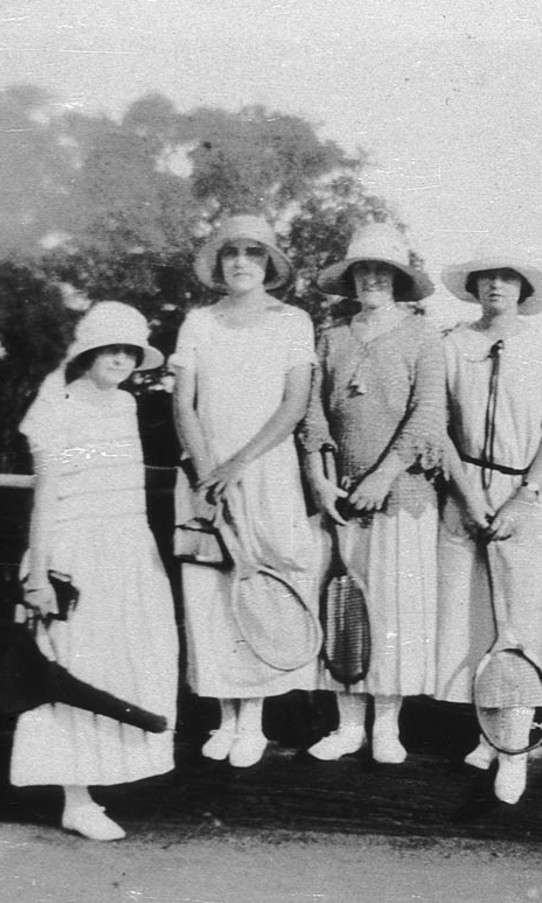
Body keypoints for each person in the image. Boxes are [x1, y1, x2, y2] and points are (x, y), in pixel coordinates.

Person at [12, 301, 178, 840]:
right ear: (87, 353)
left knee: (125, 667)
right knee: (73, 674)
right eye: (110, 348)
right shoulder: (57, 404)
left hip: (129, 551)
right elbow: (47, 496)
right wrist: (39, 576)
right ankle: (76, 799)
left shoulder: (126, 403)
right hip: (75, 552)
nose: (121, 358)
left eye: (129, 350)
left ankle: (100, 783)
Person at [436, 250, 542, 804]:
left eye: (508, 278)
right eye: (487, 278)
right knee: (477, 620)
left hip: (532, 497)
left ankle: (514, 752)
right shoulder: (452, 344)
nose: (496, 286)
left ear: (522, 289)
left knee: (527, 621)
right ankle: (491, 733)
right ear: (474, 287)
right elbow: (439, 428)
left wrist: (524, 498)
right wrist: (467, 494)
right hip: (466, 497)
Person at [171, 214, 322, 768]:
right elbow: (183, 404)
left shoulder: (294, 321)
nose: (241, 262)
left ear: (269, 264)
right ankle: (225, 719)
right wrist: (208, 472)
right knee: (210, 591)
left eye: (253, 253)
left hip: (265, 471)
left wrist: (238, 464)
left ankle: (253, 722)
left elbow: (294, 405)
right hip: (203, 475)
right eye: (231, 252)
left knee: (262, 587)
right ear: (219, 263)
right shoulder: (197, 322)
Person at [299, 223, 444, 764]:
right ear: (351, 278)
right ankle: (347, 726)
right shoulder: (331, 337)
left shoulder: (423, 336)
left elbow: (428, 414)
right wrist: (321, 481)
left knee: (394, 612)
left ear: (399, 280)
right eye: (363, 270)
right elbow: (312, 414)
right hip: (339, 500)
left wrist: (383, 477)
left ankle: (386, 726)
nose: (372, 279)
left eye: (383, 271)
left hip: (402, 496)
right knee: (342, 610)